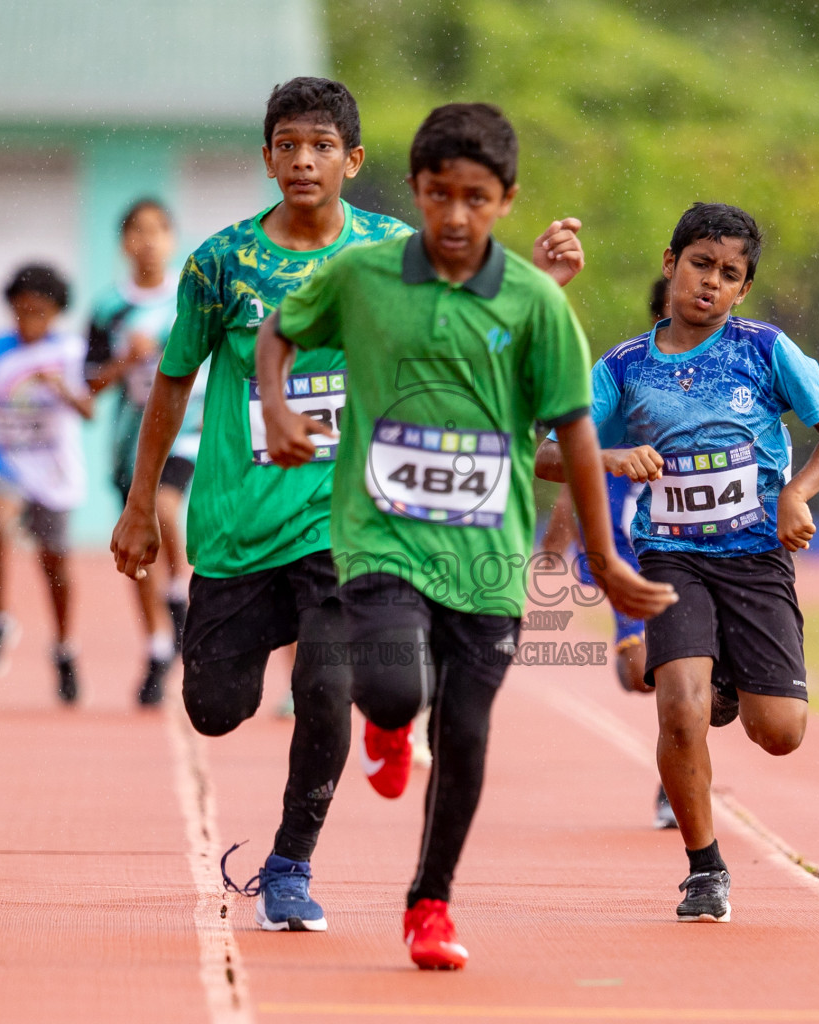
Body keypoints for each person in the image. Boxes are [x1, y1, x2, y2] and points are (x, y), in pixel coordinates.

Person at [109, 79, 592, 937]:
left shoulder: (393, 249)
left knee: (328, 686)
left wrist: (544, 281)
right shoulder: (220, 265)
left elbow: (472, 332)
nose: (304, 160)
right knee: (215, 708)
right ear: (267, 159)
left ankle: (292, 864)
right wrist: (142, 503)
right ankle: (348, 713)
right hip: (235, 522)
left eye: (323, 146)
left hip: (354, 520)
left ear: (353, 161)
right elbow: (173, 383)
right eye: (288, 145)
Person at [256, 102, 675, 970]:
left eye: (475, 199)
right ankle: (386, 724)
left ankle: (431, 903)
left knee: (469, 734)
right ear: (413, 190)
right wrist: (277, 401)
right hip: (381, 539)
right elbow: (278, 330)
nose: (454, 217)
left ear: (506, 200)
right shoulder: (366, 276)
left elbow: (577, 437)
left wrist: (602, 559)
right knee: (396, 691)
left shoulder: (535, 307)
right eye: (439, 195)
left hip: (487, 564)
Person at [535, 202, 819, 924]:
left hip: (756, 560)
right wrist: (613, 455)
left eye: (729, 274)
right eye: (700, 265)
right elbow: (549, 452)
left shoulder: (766, 350)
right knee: (677, 708)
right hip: (670, 557)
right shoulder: (624, 368)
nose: (711, 284)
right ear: (670, 263)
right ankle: (703, 867)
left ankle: (727, 690)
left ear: (744, 289)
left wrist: (797, 494)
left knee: (779, 732)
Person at [537, 277, 672, 829]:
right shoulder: (627, 379)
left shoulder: (733, 375)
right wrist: (554, 543)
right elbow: (569, 459)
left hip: (700, 549)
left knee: (685, 671)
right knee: (643, 673)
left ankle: (676, 781)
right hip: (629, 556)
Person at [0, 264, 94, 703]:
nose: (30, 322)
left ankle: (65, 647)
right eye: (22, 311)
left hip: (52, 467)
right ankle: (0, 617)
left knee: (55, 565)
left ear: (56, 313)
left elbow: (89, 411)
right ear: (10, 309)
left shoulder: (70, 353)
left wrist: (62, 390)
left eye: (40, 313)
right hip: (2, 457)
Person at [85, 198, 206, 707]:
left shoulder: (193, 297)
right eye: (137, 231)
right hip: (129, 440)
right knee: (134, 549)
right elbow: (89, 384)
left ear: (173, 239)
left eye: (158, 230)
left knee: (162, 508)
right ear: (123, 243)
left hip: (189, 430)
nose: (148, 240)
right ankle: (157, 647)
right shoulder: (109, 308)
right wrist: (124, 359)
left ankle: (180, 593)